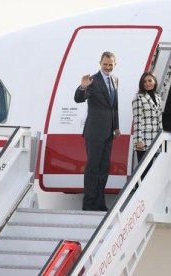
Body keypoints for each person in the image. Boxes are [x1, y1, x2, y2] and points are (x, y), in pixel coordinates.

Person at [74, 51, 120, 211]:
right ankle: (89, 204)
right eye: (105, 64)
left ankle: (100, 203)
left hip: (108, 132)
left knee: (103, 168)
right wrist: (82, 87)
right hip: (94, 131)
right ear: (100, 63)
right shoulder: (93, 80)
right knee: (93, 168)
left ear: (115, 64)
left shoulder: (115, 79)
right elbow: (79, 98)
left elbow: (114, 106)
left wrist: (116, 126)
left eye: (110, 64)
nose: (107, 67)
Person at [132, 72, 162, 176]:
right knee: (144, 170)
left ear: (154, 82)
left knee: (154, 170)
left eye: (150, 80)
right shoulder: (138, 97)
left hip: (156, 139)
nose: (147, 83)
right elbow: (137, 120)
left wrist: (161, 137)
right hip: (143, 140)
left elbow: (160, 120)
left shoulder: (158, 97)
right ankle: (139, 191)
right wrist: (138, 140)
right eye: (145, 81)